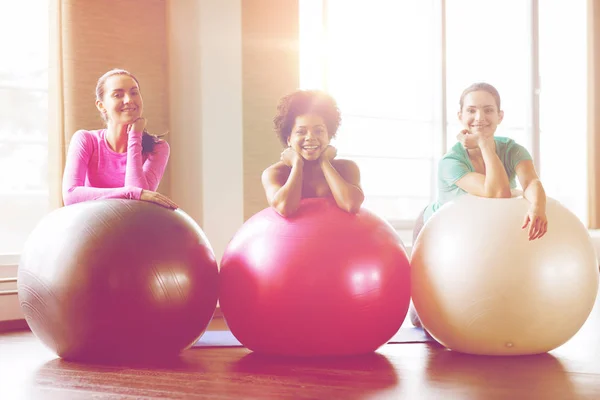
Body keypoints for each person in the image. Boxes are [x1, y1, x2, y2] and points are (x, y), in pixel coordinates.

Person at [410, 82, 549, 327]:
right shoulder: (451, 161)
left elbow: (530, 182)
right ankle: (418, 310)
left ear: (500, 115)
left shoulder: (512, 149)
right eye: (472, 111)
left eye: (488, 110)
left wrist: (538, 206)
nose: (480, 117)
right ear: (460, 116)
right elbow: (496, 192)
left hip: (478, 233)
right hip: (436, 229)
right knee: (432, 317)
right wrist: (485, 143)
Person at [62, 68, 177, 209]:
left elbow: (139, 205)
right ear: (101, 105)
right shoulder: (86, 140)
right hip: (93, 228)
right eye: (118, 95)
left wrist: (135, 137)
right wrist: (130, 193)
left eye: (134, 93)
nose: (129, 100)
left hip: (133, 228)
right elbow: (70, 195)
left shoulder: (158, 148)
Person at [261, 89, 364, 217]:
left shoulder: (347, 168)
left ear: (329, 135)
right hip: (295, 237)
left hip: (339, 237)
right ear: (289, 139)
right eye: (301, 131)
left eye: (318, 131)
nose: (310, 137)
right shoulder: (274, 173)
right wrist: (297, 164)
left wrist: (324, 162)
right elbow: (284, 207)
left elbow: (351, 204)